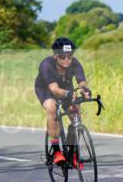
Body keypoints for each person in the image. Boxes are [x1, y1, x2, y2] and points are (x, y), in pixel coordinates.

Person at [35, 37, 91, 165]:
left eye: (69, 56)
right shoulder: (47, 65)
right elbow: (54, 90)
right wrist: (70, 94)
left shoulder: (75, 63)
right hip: (46, 89)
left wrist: (85, 90)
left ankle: (72, 151)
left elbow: (82, 81)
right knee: (52, 108)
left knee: (75, 112)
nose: (67, 60)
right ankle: (56, 152)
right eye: (63, 57)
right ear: (55, 56)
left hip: (65, 87)